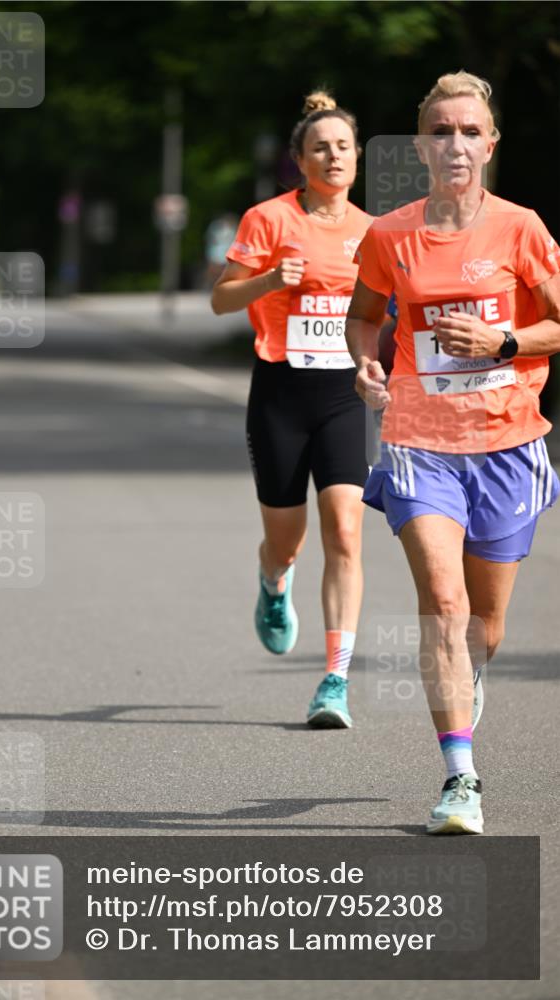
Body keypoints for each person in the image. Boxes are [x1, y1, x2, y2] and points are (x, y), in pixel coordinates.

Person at [346, 71, 560, 833]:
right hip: (416, 443)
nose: (456, 143)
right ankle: (459, 776)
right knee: (441, 602)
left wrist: (505, 340)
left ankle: (469, 680)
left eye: (470, 131)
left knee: (485, 627)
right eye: (442, 131)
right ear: (421, 145)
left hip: (505, 442)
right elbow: (365, 314)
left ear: (490, 143)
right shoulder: (388, 234)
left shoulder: (519, 228)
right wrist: (366, 362)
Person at [212, 91, 373, 728]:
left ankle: (334, 679)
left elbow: (387, 315)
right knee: (287, 539)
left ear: (357, 156)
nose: (332, 156)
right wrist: (270, 280)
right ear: (299, 161)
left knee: (347, 529)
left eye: (342, 146)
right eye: (319, 148)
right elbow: (222, 301)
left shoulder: (373, 231)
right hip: (279, 392)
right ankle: (275, 583)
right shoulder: (268, 219)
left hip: (344, 394)